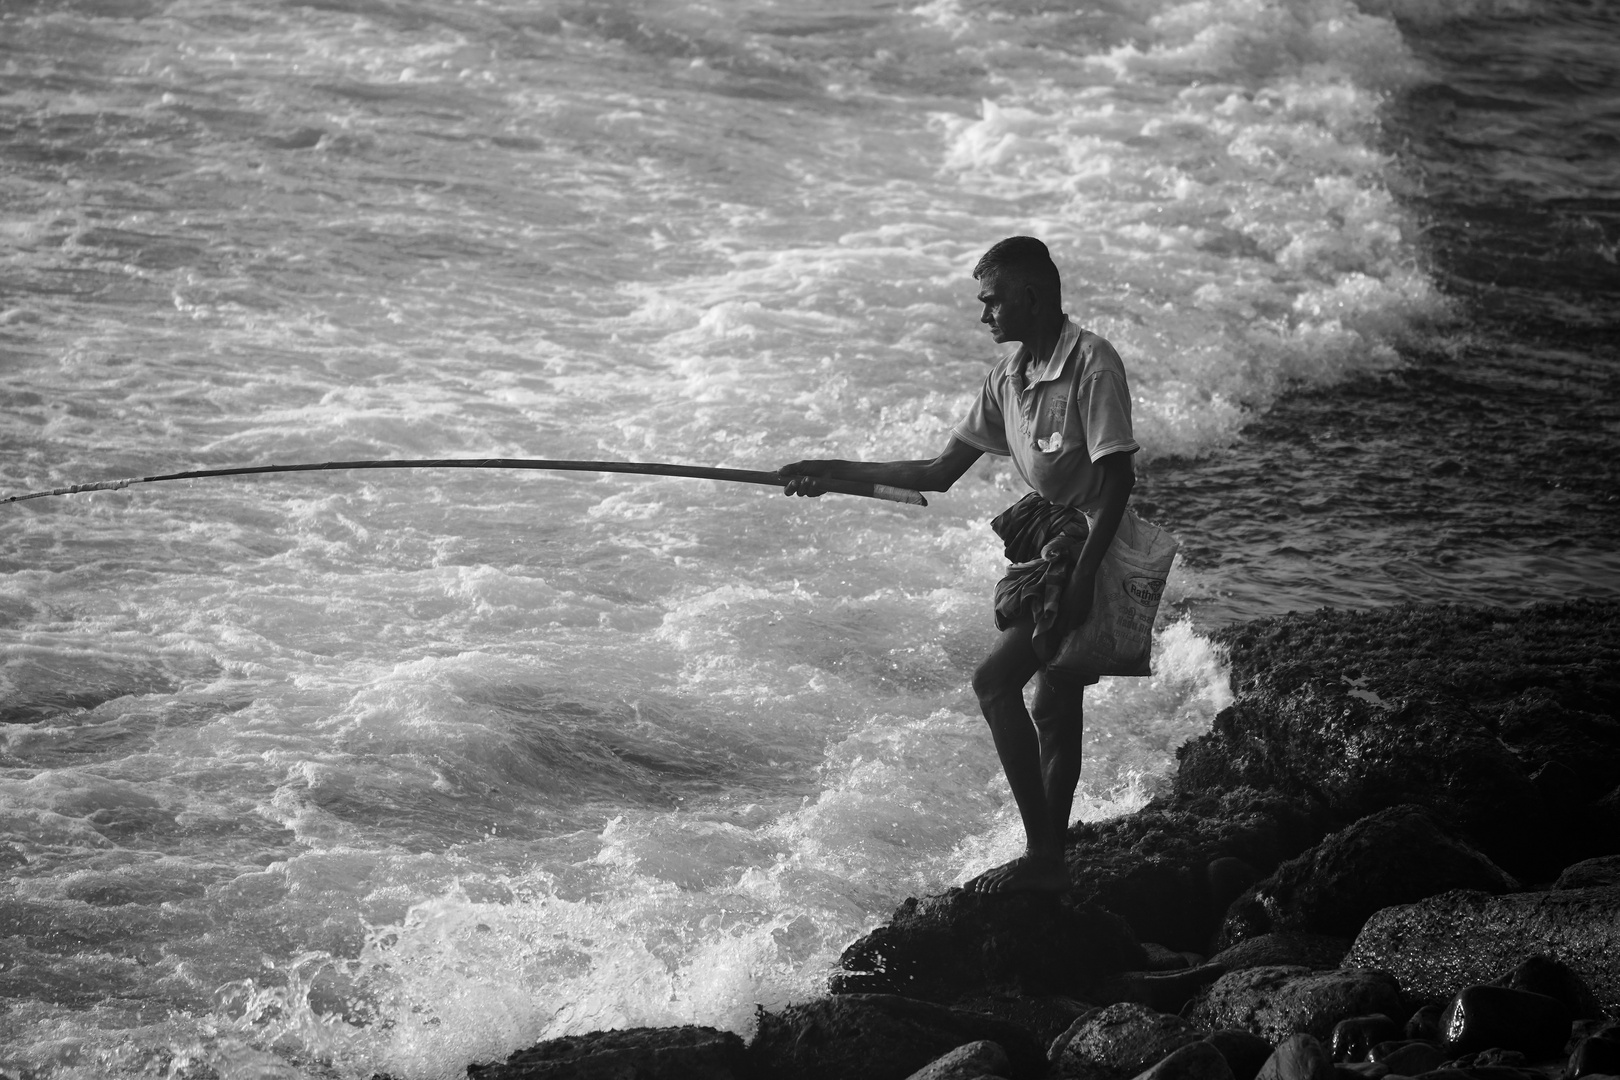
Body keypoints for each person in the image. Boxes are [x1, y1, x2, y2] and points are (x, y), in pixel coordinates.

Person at [779, 236, 1139, 893]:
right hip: (1056, 542)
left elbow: (1119, 480)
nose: (985, 317)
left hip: (1094, 547)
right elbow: (937, 473)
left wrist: (1085, 578)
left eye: (992, 301)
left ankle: (1043, 861)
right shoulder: (1007, 379)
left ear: (1030, 297)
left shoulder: (1092, 363)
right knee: (1054, 707)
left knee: (995, 685)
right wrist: (828, 473)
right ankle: (1052, 862)